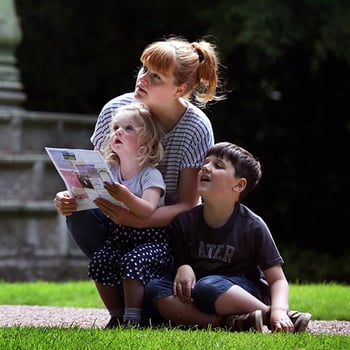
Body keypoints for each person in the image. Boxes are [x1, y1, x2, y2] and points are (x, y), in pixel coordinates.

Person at [53, 35, 226, 327]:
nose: (142, 79)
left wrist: (142, 220)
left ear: (179, 89)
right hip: (117, 219)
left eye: (155, 76)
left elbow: (187, 204)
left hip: (167, 229)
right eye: (143, 69)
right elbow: (95, 178)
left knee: (156, 292)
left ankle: (147, 295)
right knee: (78, 215)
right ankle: (121, 305)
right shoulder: (115, 110)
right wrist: (69, 196)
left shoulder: (196, 127)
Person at [145, 142, 312, 333]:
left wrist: (279, 310)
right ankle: (229, 322)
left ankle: (266, 313)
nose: (205, 167)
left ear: (239, 185)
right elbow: (180, 261)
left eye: (218, 166)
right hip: (200, 292)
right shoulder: (184, 221)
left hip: (242, 291)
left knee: (207, 285)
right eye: (206, 162)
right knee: (155, 288)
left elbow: (277, 280)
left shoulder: (252, 226)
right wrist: (184, 267)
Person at [87, 102, 168, 327]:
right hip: (120, 236)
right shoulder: (109, 170)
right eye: (115, 128)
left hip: (151, 239)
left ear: (147, 140)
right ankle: (116, 315)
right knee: (100, 261)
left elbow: (148, 209)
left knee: (132, 261)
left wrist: (125, 196)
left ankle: (133, 317)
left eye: (129, 128)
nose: (118, 132)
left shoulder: (150, 175)